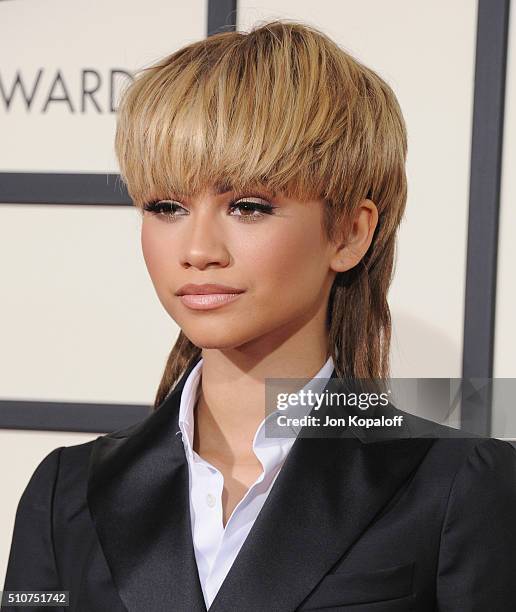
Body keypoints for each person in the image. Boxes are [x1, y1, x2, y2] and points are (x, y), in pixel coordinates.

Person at [3, 19, 516, 612]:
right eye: (166, 206)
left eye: (248, 206)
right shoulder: (66, 492)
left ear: (350, 233)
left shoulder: (458, 484)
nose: (197, 250)